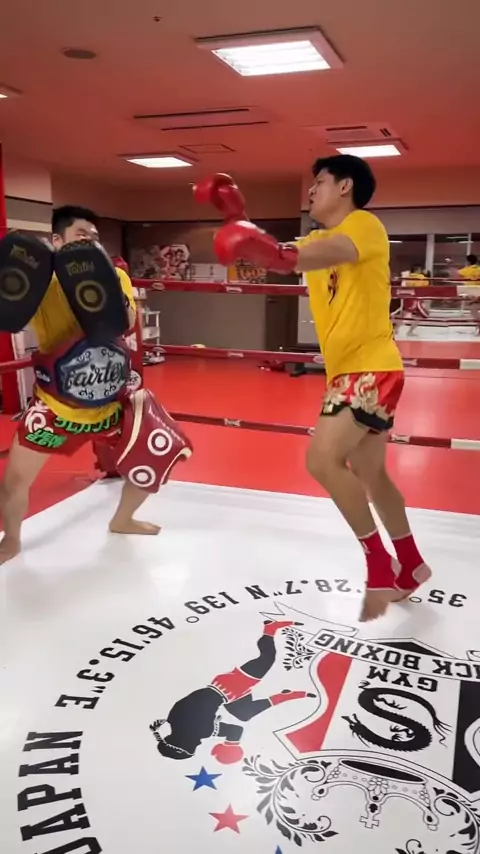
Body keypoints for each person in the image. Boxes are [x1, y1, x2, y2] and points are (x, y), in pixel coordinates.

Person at [194, 159, 430, 622]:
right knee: (371, 473)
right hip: (352, 370)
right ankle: (412, 562)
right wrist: (235, 218)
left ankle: (380, 564)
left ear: (345, 187)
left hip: (368, 366)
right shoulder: (314, 240)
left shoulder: (364, 226)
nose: (311, 190)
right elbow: (277, 255)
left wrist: (263, 244)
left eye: (319, 182)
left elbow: (307, 256)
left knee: (321, 461)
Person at [0, 206, 192, 564]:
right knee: (13, 481)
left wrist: (104, 286)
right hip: (57, 407)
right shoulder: (41, 281)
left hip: (111, 403)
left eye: (94, 237)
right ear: (57, 240)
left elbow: (127, 321)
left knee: (161, 449)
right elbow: (10, 313)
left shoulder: (114, 275)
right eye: (81, 235)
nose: (90, 242)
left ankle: (123, 519)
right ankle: (10, 541)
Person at [458, 254, 480, 328]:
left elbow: (455, 274)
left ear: (468, 262)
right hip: (476, 292)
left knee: (473, 308)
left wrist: (449, 264)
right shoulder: (478, 269)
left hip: (473, 292)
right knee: (474, 308)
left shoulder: (468, 270)